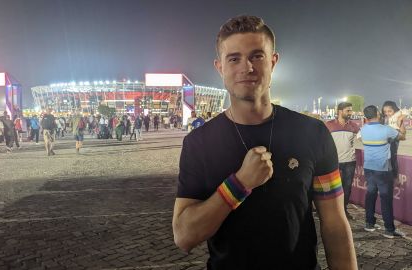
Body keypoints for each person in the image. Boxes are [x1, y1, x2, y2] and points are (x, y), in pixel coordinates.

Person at [172, 15, 357, 269]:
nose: (246, 67)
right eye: (234, 58)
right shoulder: (198, 143)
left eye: (257, 56)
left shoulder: (313, 133)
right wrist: (239, 184)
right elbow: (184, 236)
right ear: (220, 67)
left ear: (273, 61)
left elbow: (335, 225)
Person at [359, 105, 406, 239]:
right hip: (383, 169)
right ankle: (389, 230)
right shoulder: (386, 129)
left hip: (369, 168)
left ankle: (369, 224)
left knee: (370, 195)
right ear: (378, 114)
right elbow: (402, 136)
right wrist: (401, 122)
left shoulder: (363, 129)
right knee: (386, 199)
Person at [325, 102, 360, 219]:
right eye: (348, 111)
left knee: (347, 187)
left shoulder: (354, 126)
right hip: (333, 162)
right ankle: (331, 211)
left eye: (351, 110)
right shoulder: (328, 125)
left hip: (350, 162)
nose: (351, 113)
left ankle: (344, 211)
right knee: (333, 188)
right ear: (340, 111)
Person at [381, 101, 406, 179]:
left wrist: (400, 120)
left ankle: (395, 178)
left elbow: (403, 133)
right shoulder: (382, 119)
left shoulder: (397, 118)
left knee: (392, 159)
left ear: (394, 110)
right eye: (385, 111)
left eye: (389, 111)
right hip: (383, 145)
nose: (387, 113)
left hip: (393, 142)